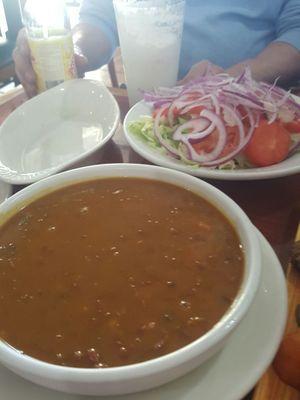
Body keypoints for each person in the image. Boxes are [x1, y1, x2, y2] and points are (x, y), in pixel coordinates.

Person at [13, 0, 300, 98]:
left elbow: (296, 29)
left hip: (250, 102)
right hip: (145, 104)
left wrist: (233, 79)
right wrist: (71, 51)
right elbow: (100, 16)